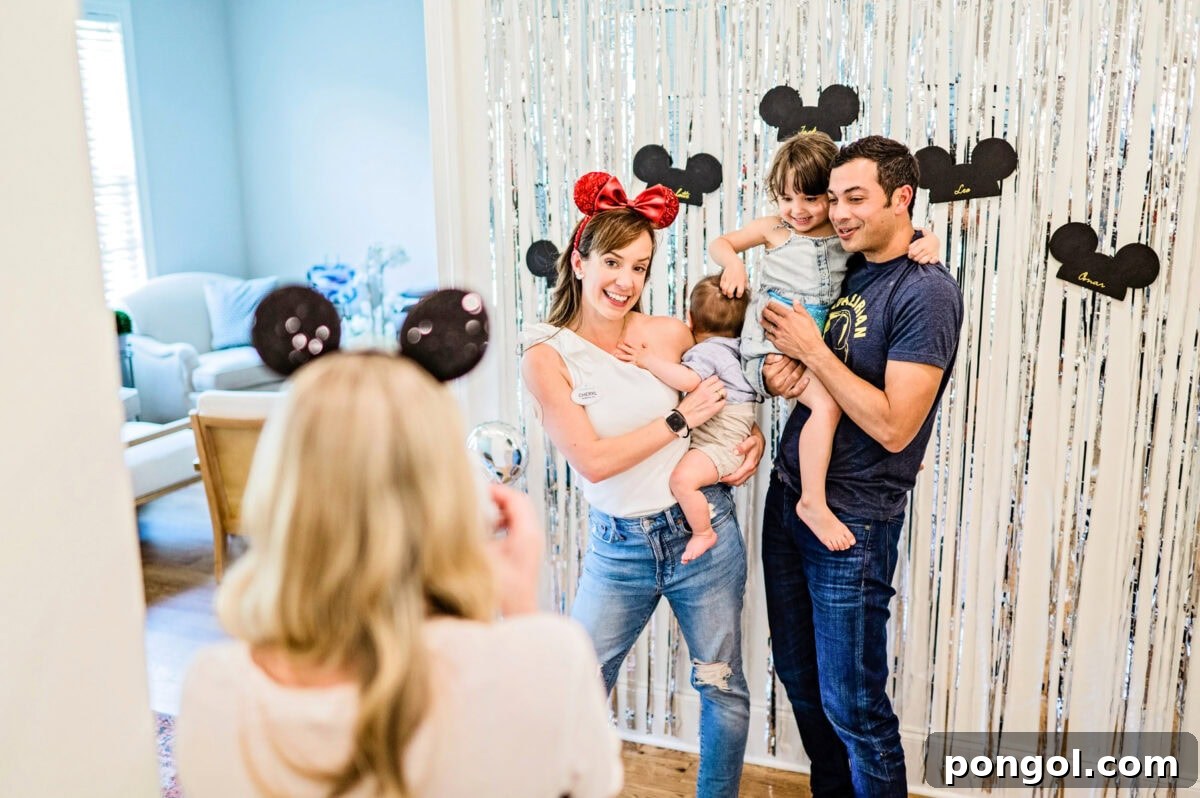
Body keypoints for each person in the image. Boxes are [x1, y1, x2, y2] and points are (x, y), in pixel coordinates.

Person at [175, 352, 623, 798]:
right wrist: (521, 607)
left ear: (283, 493)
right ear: (452, 491)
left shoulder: (215, 690)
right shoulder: (548, 662)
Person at [521, 171, 764, 798]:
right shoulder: (547, 355)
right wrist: (681, 419)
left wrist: (749, 439)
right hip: (619, 547)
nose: (625, 282)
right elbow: (594, 461)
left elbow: (727, 395)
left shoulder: (668, 334)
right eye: (611, 262)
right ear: (578, 262)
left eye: (640, 267)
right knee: (578, 685)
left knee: (720, 683)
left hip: (702, 526)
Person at [757, 135, 964, 796]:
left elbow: (895, 425)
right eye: (833, 198)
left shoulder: (925, 293)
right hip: (790, 497)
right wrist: (776, 369)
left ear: (901, 197)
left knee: (856, 711)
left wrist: (814, 355)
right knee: (801, 682)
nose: (838, 213)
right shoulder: (847, 265)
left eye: (855, 199)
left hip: (853, 520)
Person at [712, 130, 941, 551]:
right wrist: (733, 267)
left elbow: (902, 236)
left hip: (810, 350)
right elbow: (723, 243)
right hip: (769, 343)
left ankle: (824, 495)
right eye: (786, 198)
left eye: (814, 199)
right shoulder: (781, 232)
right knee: (825, 404)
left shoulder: (854, 246)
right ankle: (810, 500)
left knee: (829, 402)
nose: (800, 211)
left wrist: (929, 241)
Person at [615, 275, 755, 564]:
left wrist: (647, 360)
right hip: (731, 435)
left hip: (721, 442)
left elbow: (690, 380)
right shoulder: (739, 350)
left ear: (689, 319)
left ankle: (703, 532)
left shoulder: (706, 352)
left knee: (681, 481)